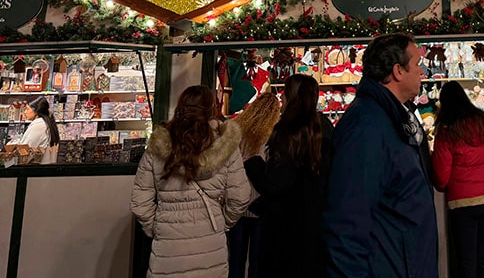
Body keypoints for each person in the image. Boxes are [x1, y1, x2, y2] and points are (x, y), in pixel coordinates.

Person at [322, 32, 439, 278]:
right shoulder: (367, 126)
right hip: (389, 266)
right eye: (417, 64)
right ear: (398, 71)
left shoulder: (395, 116)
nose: (423, 72)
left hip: (404, 263)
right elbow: (347, 221)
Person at [130, 84, 251, 278]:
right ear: (212, 108)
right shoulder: (226, 146)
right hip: (210, 248)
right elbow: (240, 197)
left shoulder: (158, 146)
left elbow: (140, 203)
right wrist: (222, 223)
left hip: (167, 249)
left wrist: (157, 227)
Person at [243, 73, 333, 277]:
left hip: (285, 227)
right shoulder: (323, 127)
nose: (281, 99)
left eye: (285, 93)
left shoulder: (288, 131)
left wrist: (254, 164)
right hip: (314, 223)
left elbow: (276, 183)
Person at [431, 80, 484, 278]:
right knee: (483, 256)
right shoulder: (480, 119)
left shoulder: (447, 131)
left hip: (463, 202)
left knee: (466, 261)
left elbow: (441, 178)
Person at [228, 90, 281, 278]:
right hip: (259, 205)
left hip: (237, 204)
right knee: (257, 263)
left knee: (235, 260)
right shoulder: (271, 136)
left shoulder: (236, 129)